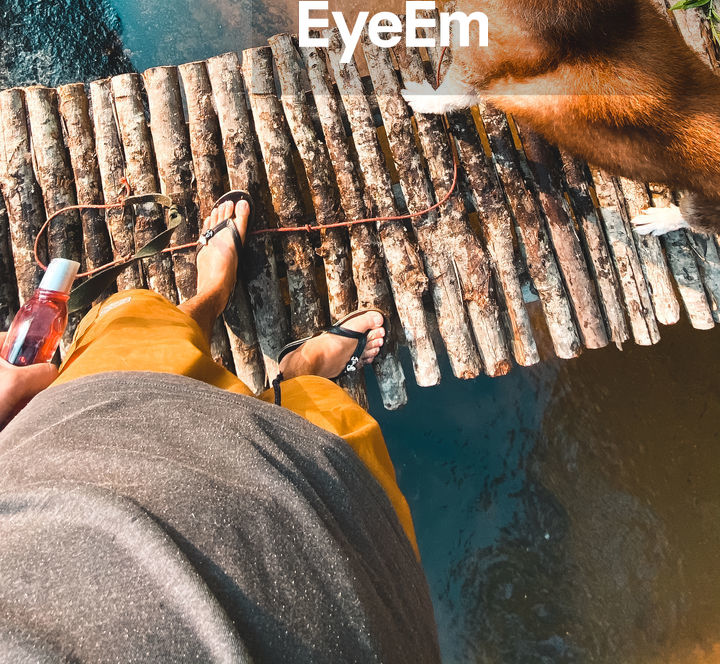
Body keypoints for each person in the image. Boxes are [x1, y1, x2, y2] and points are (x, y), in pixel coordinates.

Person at [0, 196, 440, 664]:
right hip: (327, 554)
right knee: (324, 428)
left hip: (76, 452)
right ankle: (298, 371)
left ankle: (211, 297)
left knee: (140, 327)